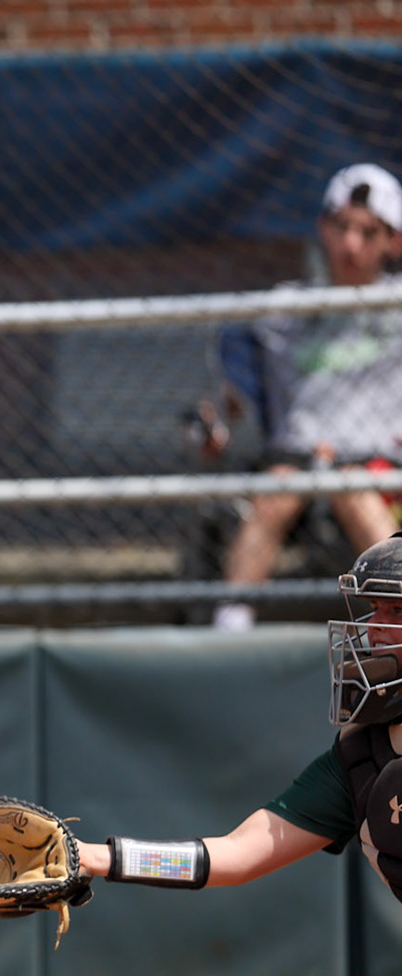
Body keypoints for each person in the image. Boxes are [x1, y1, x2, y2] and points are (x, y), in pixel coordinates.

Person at [69, 532, 402, 976]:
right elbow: (235, 857)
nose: (371, 630)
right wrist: (98, 859)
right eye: (373, 612)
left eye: (394, 614)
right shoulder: (361, 758)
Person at [215, 163, 402, 632]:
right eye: (341, 227)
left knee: (352, 487)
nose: (351, 245)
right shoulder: (284, 309)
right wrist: (217, 418)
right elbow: (231, 397)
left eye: (368, 232)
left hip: (378, 467)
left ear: (392, 241)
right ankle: (229, 630)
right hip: (295, 460)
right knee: (276, 491)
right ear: (323, 228)